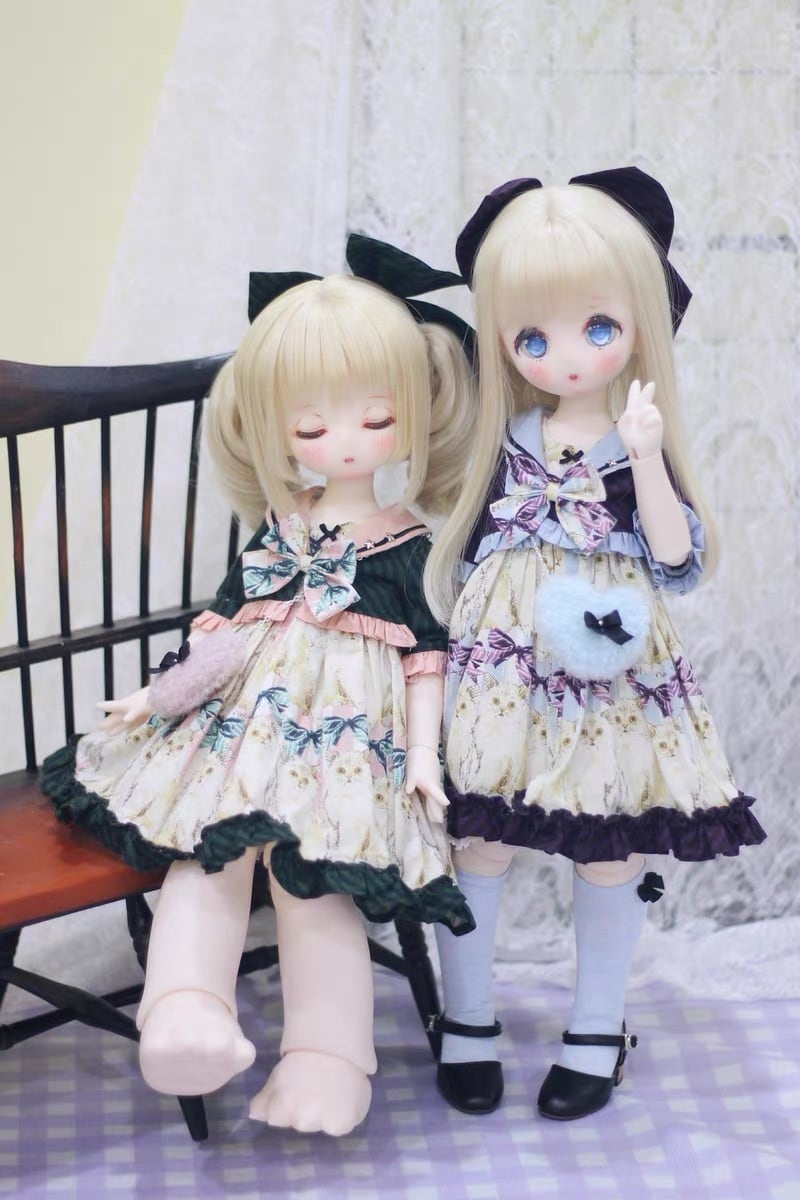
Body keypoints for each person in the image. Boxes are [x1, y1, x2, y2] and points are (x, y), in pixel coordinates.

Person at [42, 246, 476, 1137]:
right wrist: (157, 699)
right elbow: (226, 633)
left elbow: (426, 660)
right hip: (240, 732)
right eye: (311, 429)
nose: (344, 443)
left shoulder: (407, 547)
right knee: (210, 853)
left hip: (348, 746)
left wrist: (425, 759)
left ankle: (329, 1055)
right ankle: (184, 1011)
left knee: (310, 878)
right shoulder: (278, 532)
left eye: (377, 418)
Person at [423, 168, 766, 1121]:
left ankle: (597, 1025)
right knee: (481, 834)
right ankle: (467, 1017)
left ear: (642, 322)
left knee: (608, 843)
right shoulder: (508, 437)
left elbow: (675, 557)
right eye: (532, 338)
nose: (566, 357)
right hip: (506, 660)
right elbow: (470, 539)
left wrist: (647, 456)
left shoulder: (633, 437)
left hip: (610, 659)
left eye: (598, 328)